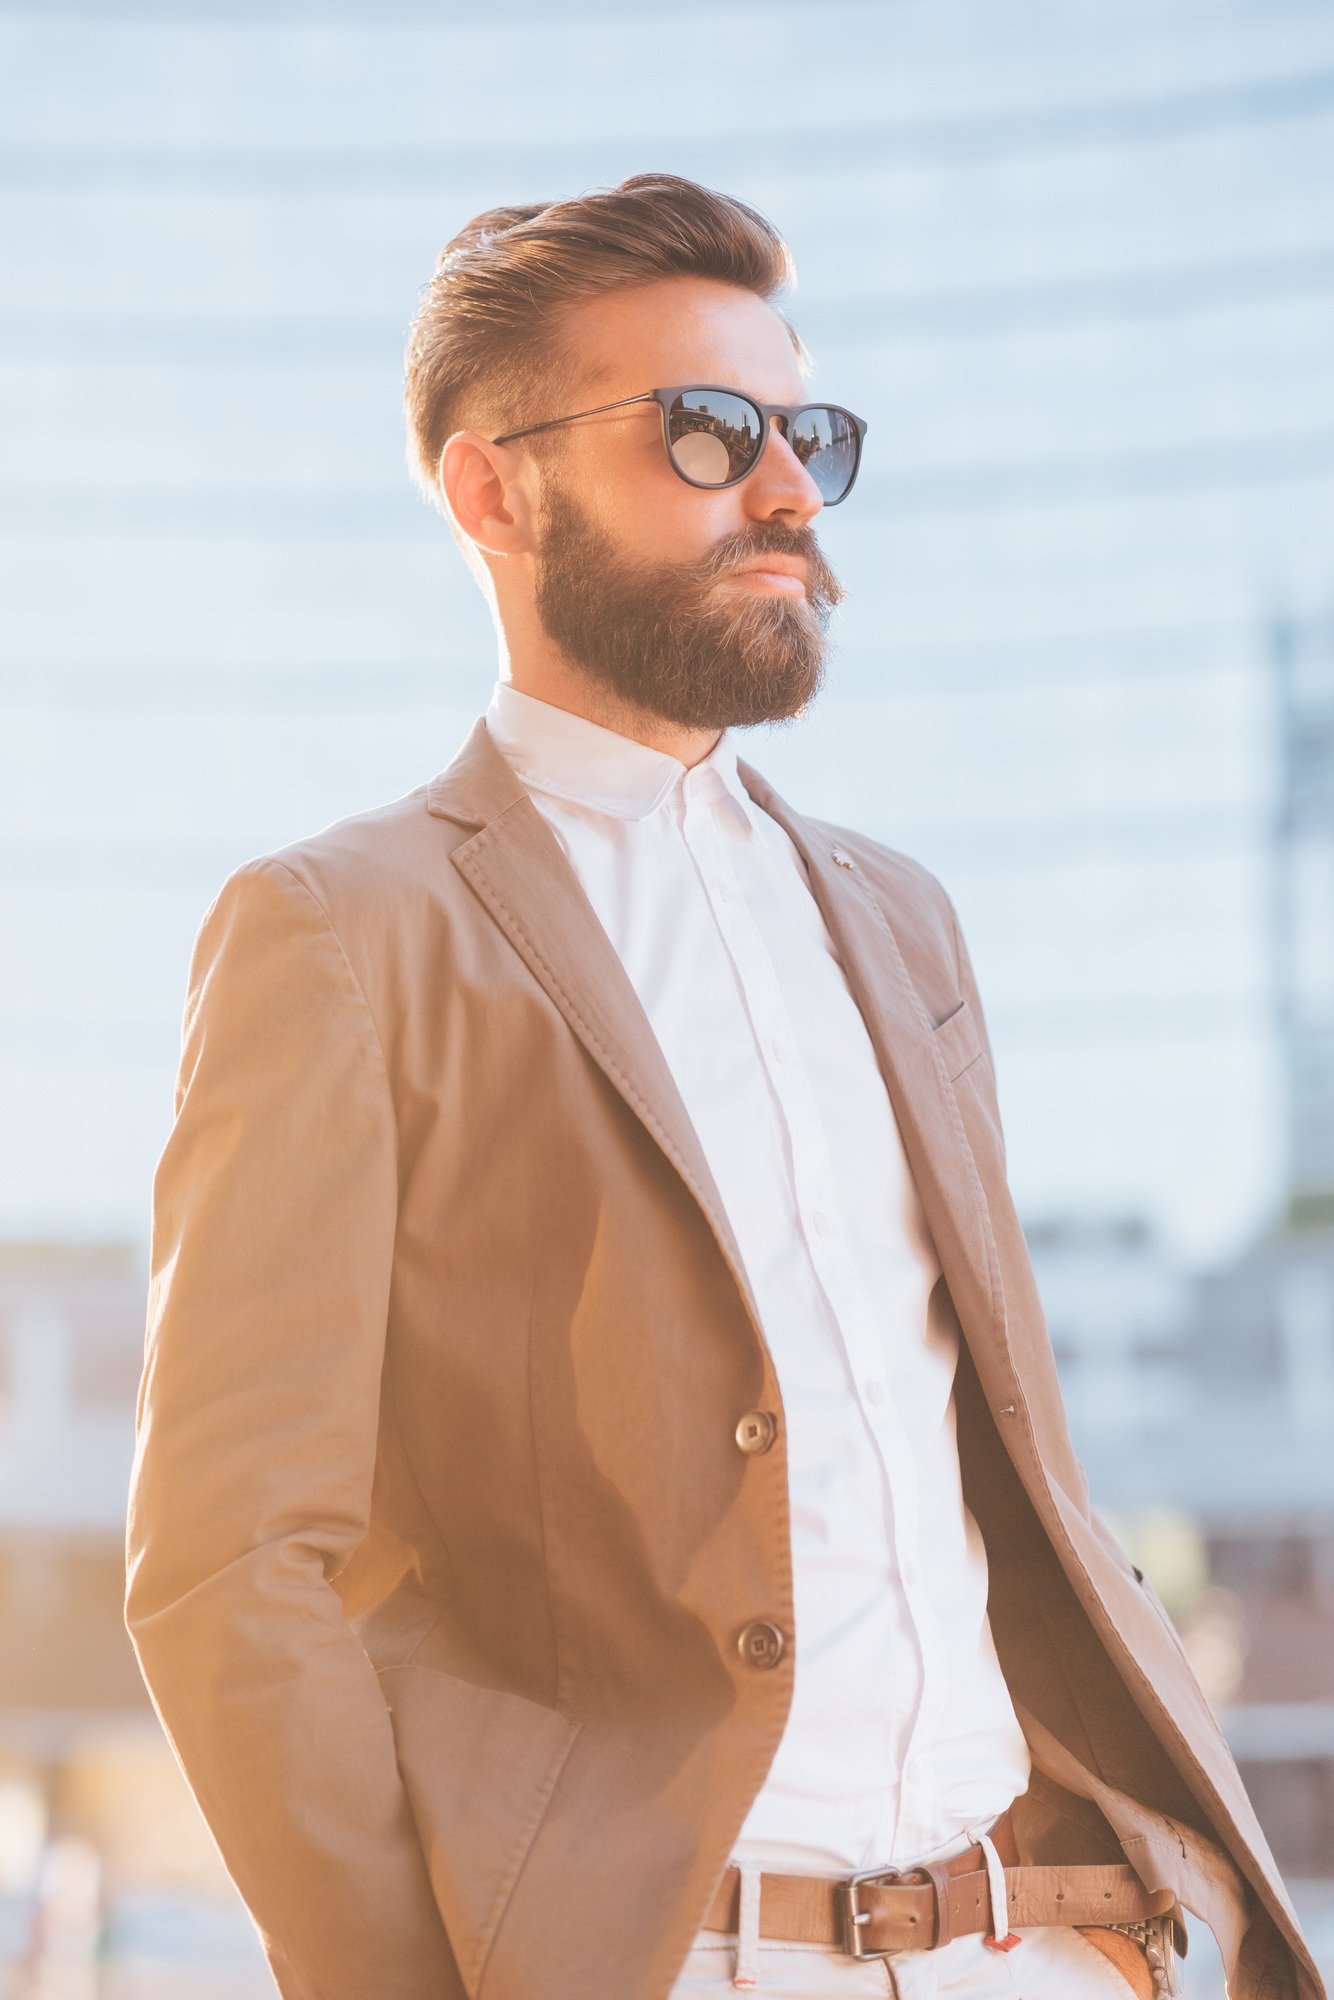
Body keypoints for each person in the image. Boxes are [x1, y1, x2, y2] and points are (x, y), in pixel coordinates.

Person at [123, 172, 1322, 2000]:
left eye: (805, 434)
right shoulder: (338, 932)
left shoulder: (900, 920)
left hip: (1049, 1940)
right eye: (703, 433)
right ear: (492, 488)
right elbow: (230, 1570)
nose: (784, 488)